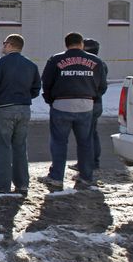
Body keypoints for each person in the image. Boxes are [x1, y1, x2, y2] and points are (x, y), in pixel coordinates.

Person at [39, 32, 108, 190]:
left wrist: (51, 100)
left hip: (61, 105)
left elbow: (47, 82)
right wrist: (92, 98)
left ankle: (56, 177)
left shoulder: (55, 59)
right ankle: (86, 177)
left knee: (59, 142)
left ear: (66, 44)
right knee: (85, 143)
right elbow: (102, 86)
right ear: (81, 44)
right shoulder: (96, 61)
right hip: (86, 105)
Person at [0, 34, 41, 195]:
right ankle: (22, 184)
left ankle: (2, 184)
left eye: (4, 43)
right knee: (20, 146)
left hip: (4, 108)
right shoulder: (30, 65)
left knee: (2, 147)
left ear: (9, 45)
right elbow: (36, 89)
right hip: (24, 108)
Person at [69, 38, 108, 173]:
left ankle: (86, 164)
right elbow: (102, 86)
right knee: (92, 133)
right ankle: (93, 161)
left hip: (89, 102)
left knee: (86, 135)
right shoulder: (101, 64)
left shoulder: (89, 64)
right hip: (97, 103)